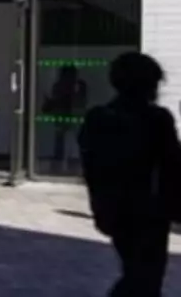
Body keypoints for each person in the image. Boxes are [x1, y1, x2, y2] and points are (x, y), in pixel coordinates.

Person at [80, 52, 181, 297]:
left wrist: (99, 205)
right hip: (150, 211)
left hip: (115, 209)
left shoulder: (98, 118)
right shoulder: (157, 119)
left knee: (137, 272)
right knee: (146, 277)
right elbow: (172, 167)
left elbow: (91, 168)